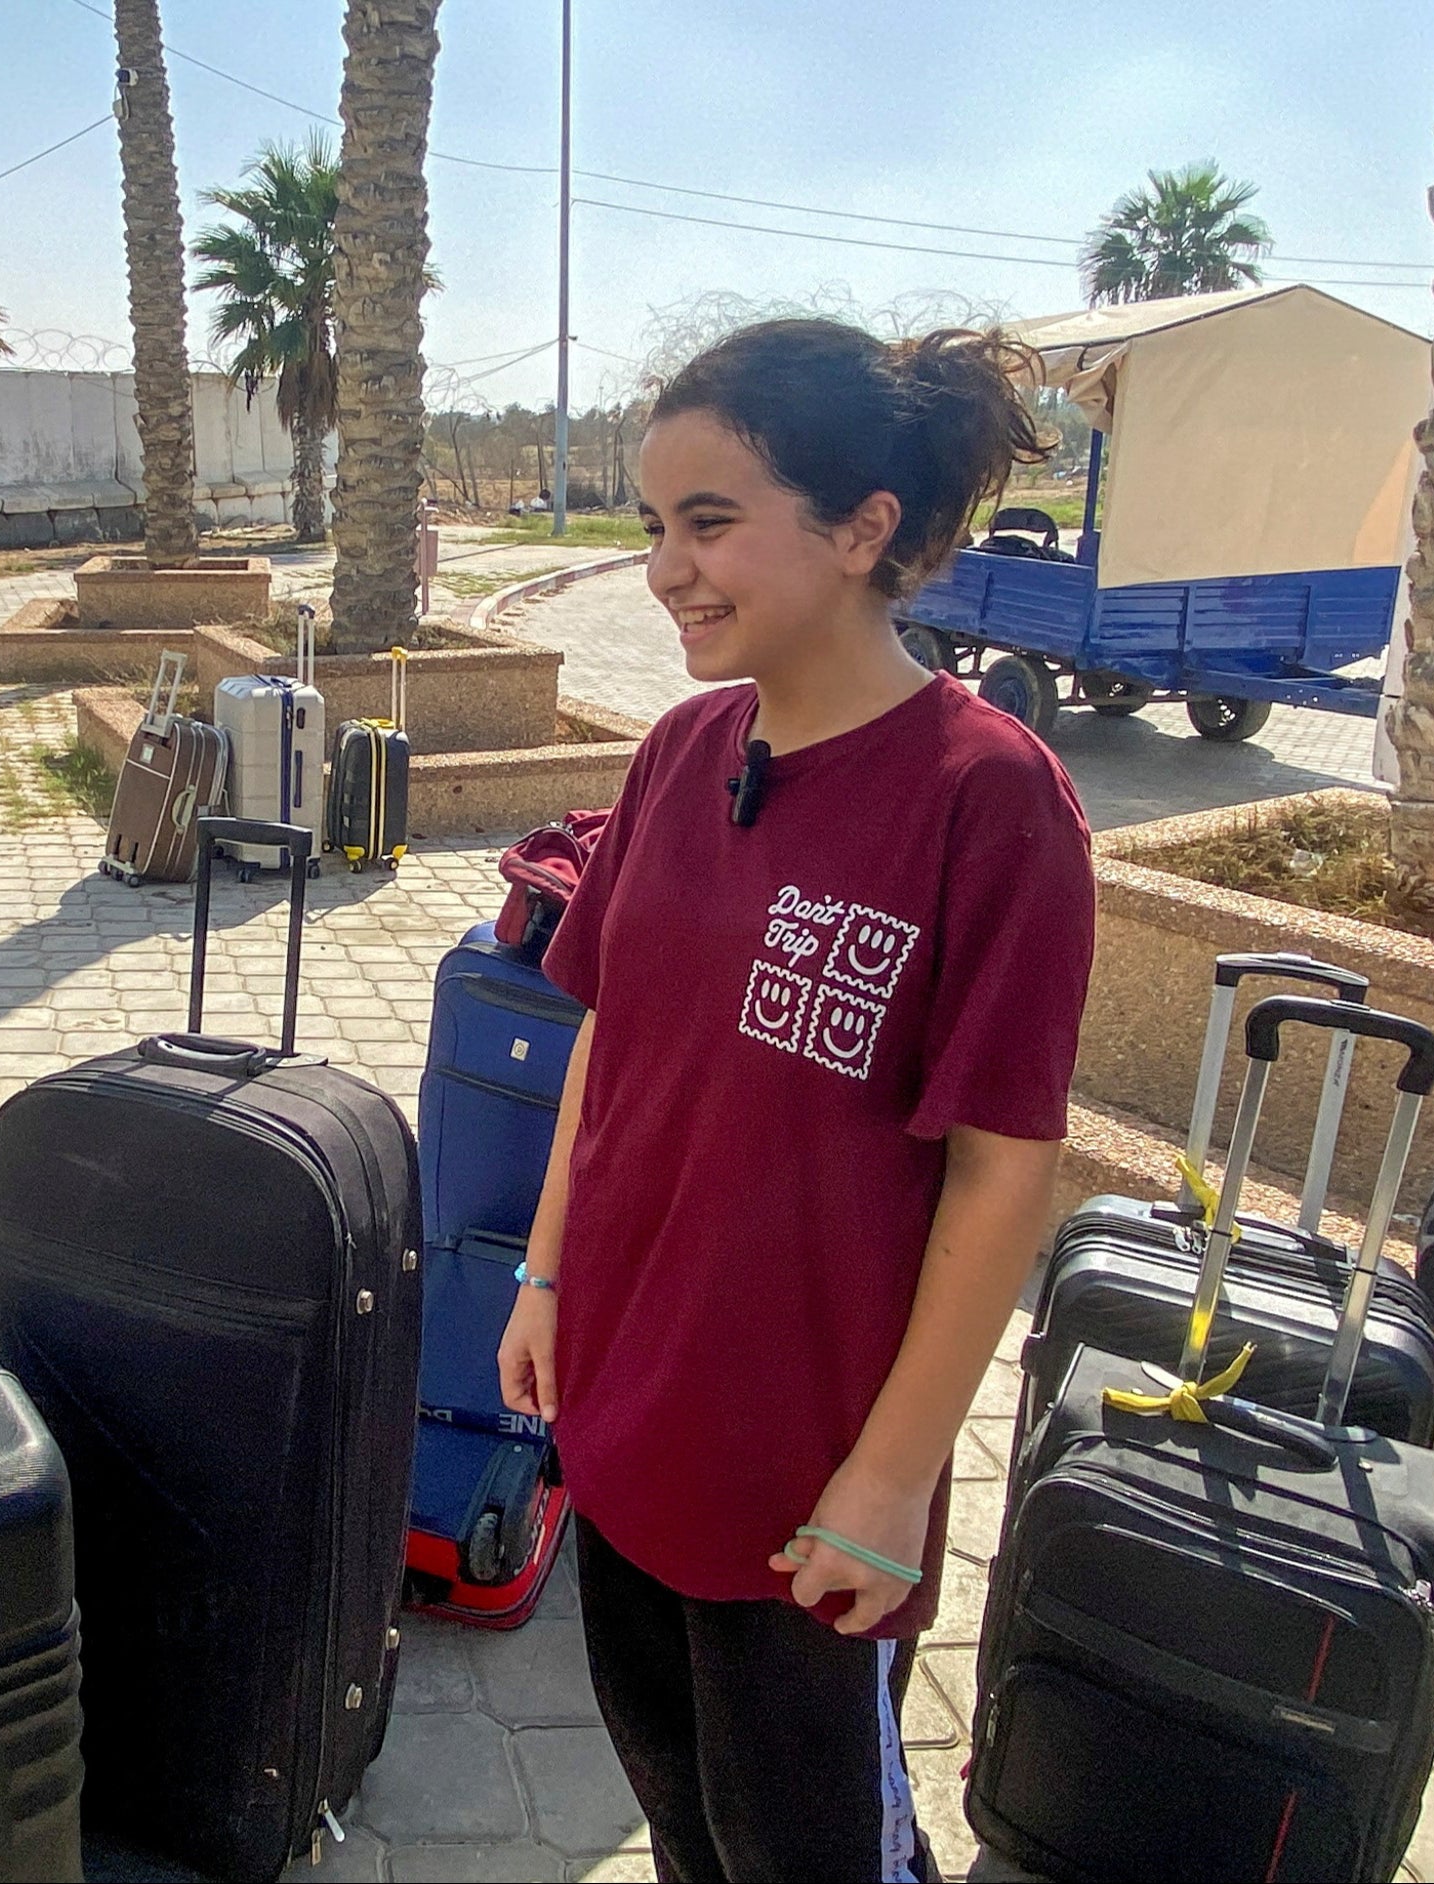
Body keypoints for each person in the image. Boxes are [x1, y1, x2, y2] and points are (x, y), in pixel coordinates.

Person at [496, 320, 1095, 1882]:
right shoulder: (682, 749)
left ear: (863, 527)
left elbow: (1002, 1176)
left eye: (710, 522)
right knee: (685, 1822)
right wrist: (548, 1274)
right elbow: (606, 1040)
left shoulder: (991, 796)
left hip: (808, 1488)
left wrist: (890, 1479)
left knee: (810, 1853)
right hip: (626, 1421)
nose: (665, 570)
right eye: (652, 527)